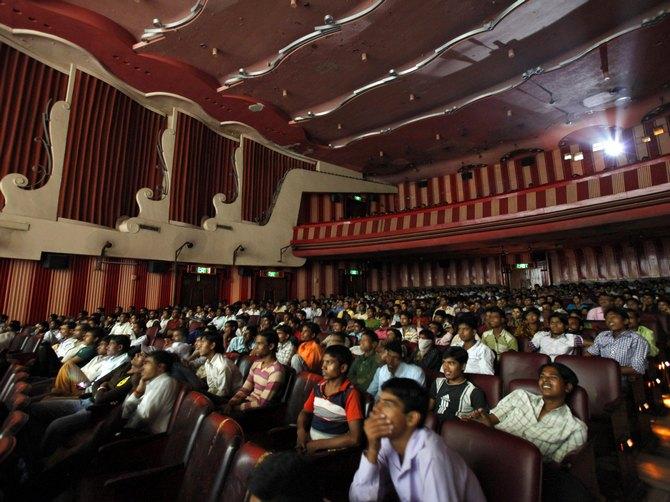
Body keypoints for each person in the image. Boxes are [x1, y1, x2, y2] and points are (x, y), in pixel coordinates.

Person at [350, 378, 485, 502]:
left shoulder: (431, 455)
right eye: (378, 401)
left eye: (388, 404)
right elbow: (358, 498)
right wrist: (372, 449)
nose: (376, 409)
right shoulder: (386, 439)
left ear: (411, 418)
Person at [465, 363, 587, 463]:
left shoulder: (575, 428)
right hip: (485, 452)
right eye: (542, 377)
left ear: (567, 387)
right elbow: (491, 419)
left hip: (519, 474)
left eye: (553, 377)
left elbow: (555, 469)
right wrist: (481, 418)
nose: (545, 381)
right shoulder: (520, 396)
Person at [296, 345, 363, 455]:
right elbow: (305, 412)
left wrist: (317, 445)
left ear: (343, 368)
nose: (323, 367)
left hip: (331, 453)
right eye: (323, 362)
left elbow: (354, 438)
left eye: (329, 362)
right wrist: (301, 431)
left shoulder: (350, 393)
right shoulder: (319, 386)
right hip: (310, 443)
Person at [225, 330, 286, 412]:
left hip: (259, 412)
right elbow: (245, 388)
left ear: (271, 346)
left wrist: (236, 408)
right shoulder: (257, 363)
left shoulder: (276, 371)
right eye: (256, 343)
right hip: (248, 404)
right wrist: (231, 403)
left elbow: (262, 403)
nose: (255, 347)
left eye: (259, 344)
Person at [122, 350, 180, 434]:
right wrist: (137, 391)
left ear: (160, 367)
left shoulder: (165, 382)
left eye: (146, 363)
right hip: (138, 431)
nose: (142, 368)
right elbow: (126, 410)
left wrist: (123, 429)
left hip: (150, 437)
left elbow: (142, 417)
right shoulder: (151, 381)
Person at [429, 346, 487, 424]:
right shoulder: (437, 383)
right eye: (444, 362)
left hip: (455, 432)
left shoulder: (474, 392)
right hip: (434, 427)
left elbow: (486, 424)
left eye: (451, 363)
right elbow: (428, 408)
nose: (445, 367)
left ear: (463, 366)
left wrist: (474, 419)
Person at [586, 307, 648, 376]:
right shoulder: (603, 335)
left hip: (624, 377)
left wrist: (608, 370)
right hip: (602, 375)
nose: (609, 320)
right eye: (607, 318)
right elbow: (590, 353)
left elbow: (637, 369)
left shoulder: (637, 339)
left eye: (613, 317)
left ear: (625, 321)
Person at [199, 332, 243, 402]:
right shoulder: (208, 363)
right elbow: (212, 386)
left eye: (203, 342)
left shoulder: (222, 365)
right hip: (220, 395)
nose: (199, 346)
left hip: (232, 398)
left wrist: (210, 400)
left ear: (212, 345)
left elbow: (224, 392)